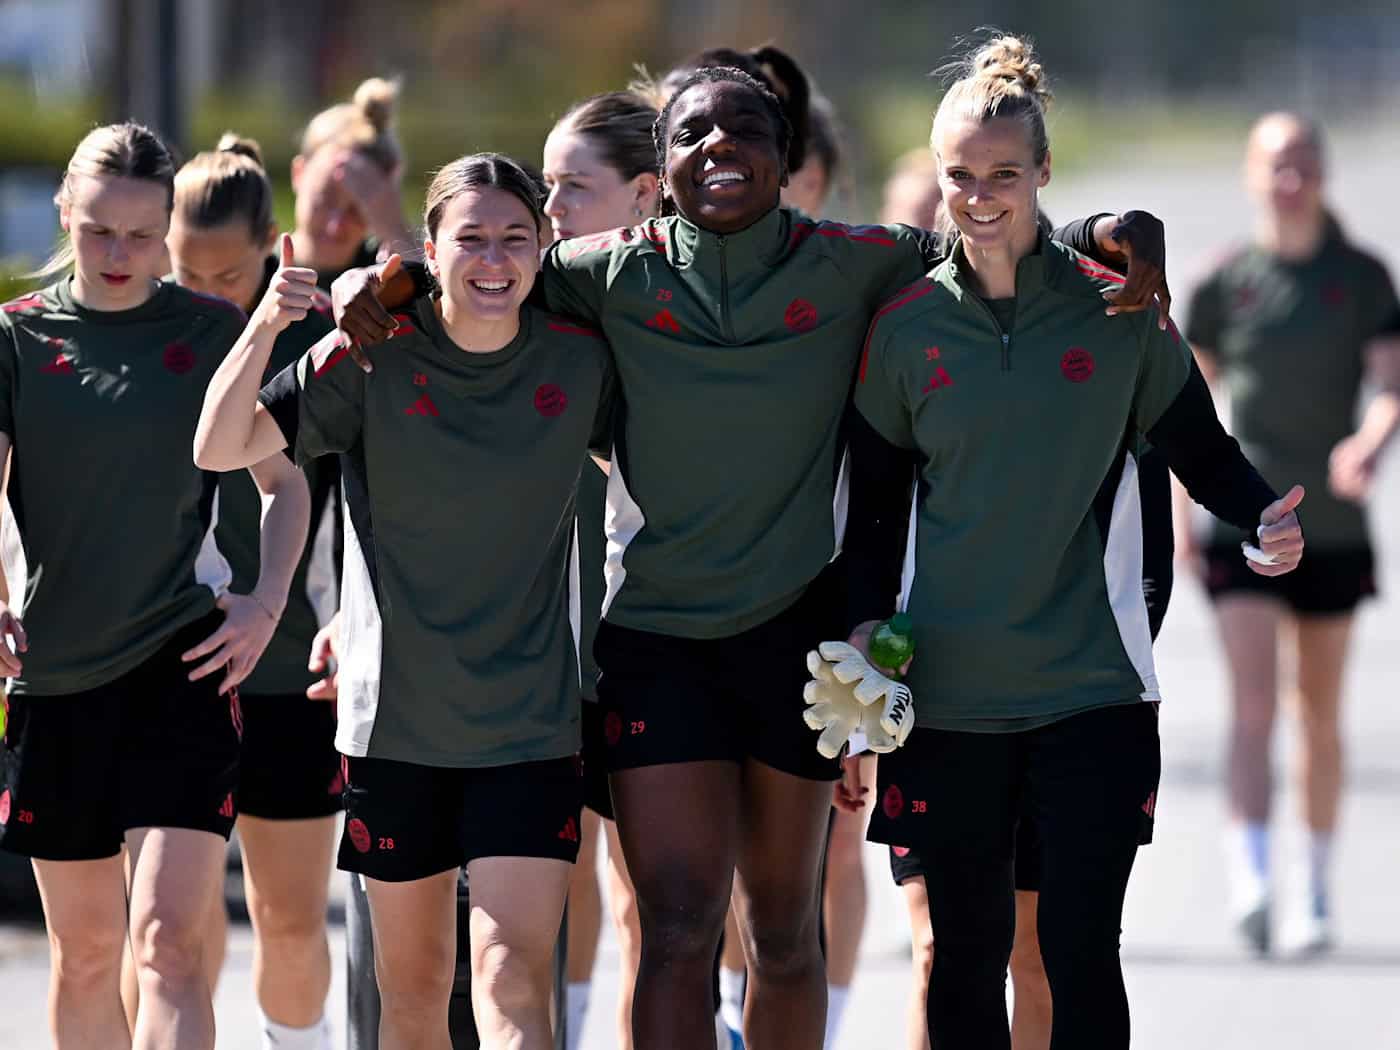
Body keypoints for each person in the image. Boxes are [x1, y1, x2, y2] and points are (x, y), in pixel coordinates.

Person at [331, 63, 1170, 1050]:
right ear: (662, 168)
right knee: (677, 923)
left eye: (744, 134)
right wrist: (368, 279)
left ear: (787, 162)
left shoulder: (858, 260)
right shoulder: (601, 270)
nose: (717, 149)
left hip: (794, 640)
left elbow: (989, 235)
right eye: (691, 135)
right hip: (657, 641)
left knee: (782, 931)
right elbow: (473, 266)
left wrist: (1106, 234)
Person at [841, 35, 1304, 1050]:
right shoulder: (907, 328)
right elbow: (871, 517)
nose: (976, 197)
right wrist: (856, 668)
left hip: (1090, 693)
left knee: (1075, 951)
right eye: (958, 176)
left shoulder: (1119, 310)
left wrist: (1263, 515)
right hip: (946, 703)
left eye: (1002, 175)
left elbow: (1199, 447)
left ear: (1042, 174)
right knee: (958, 956)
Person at [194, 152, 614, 1050]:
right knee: (414, 994)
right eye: (471, 238)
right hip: (394, 732)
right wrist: (272, 319)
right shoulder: (372, 354)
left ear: (544, 246)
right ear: (430, 247)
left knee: (510, 978)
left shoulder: (580, 359)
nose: (493, 259)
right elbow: (221, 445)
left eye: (515, 237)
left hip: (530, 729)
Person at [0, 122, 309, 1050]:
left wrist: (265, 603)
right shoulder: (17, 337)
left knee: (168, 945)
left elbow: (285, 483)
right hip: (53, 674)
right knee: (88, 953)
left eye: (140, 235)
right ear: (65, 212)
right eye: (98, 231)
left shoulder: (212, 332)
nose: (118, 254)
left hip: (184, 664)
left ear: (168, 228)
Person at [1181, 112, 1400, 957]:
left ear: (1324, 172)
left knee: (1319, 713)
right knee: (1253, 705)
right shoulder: (1223, 281)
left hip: (1335, 526)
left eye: (1305, 161)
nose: (1291, 177)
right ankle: (1253, 874)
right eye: (1276, 163)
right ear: (1252, 175)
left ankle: (1312, 885)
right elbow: (1184, 414)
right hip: (1246, 519)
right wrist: (1179, 524)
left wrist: (1370, 442)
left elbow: (1388, 383)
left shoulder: (1363, 278)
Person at [167, 133, 341, 1050]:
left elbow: (356, 498)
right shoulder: (151, 329)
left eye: (227, 274)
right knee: (169, 931)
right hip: (169, 662)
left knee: (285, 914)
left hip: (288, 667)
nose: (204, 293)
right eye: (183, 268)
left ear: (274, 245)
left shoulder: (321, 337)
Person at [541, 90, 659, 1050]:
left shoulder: (676, 322)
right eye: (547, 188)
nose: (551, 213)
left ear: (646, 198)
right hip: (531, 654)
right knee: (532, 905)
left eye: (574, 190)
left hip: (640, 641)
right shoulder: (525, 299)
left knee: (645, 907)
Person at [291, 76, 418, 286]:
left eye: (357, 208)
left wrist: (396, 231)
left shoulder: (388, 275)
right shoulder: (248, 271)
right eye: (325, 199)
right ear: (298, 173)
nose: (336, 226)